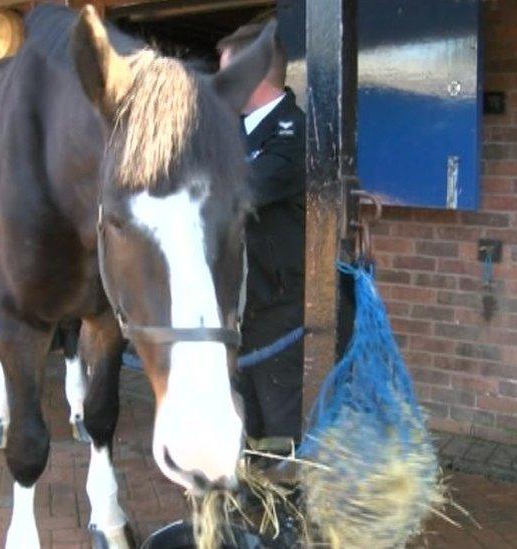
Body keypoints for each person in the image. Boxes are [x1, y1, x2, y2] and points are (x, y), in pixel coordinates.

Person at [217, 22, 305, 449]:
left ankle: (289, 512)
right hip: (242, 305)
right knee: (246, 417)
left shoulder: (295, 134)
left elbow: (235, 195)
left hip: (278, 306)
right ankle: (255, 504)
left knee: (280, 426)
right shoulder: (236, 132)